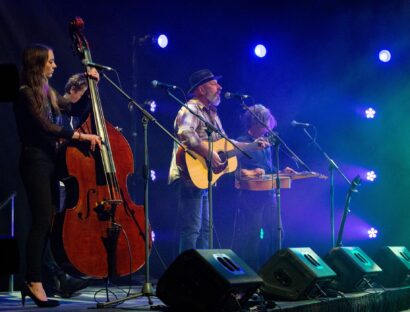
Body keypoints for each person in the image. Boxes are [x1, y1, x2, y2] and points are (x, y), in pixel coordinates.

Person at [14, 43, 101, 307]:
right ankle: (33, 281)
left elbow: (73, 109)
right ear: (38, 63)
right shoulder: (26, 93)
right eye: (50, 61)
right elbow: (47, 126)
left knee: (49, 222)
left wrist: (91, 86)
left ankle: (43, 279)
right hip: (35, 162)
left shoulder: (47, 92)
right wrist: (81, 136)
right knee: (41, 222)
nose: (54, 65)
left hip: (50, 163)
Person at [168, 69, 269, 253]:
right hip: (188, 176)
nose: (219, 87)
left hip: (204, 178)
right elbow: (185, 133)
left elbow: (226, 143)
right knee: (192, 230)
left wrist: (252, 146)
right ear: (200, 89)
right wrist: (208, 152)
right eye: (214, 83)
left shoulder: (212, 114)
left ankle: (204, 276)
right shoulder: (190, 108)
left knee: (205, 230)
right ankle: (185, 276)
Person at [41, 73, 90, 298]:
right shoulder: (57, 108)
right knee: (48, 228)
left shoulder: (70, 113)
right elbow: (58, 140)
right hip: (52, 173)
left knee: (52, 228)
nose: (82, 99)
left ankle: (56, 280)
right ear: (74, 90)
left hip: (65, 178)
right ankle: (56, 278)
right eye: (83, 93)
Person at [233, 104, 294, 271]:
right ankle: (251, 274)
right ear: (256, 122)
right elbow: (236, 171)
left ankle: (272, 271)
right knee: (252, 236)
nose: (268, 126)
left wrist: (282, 171)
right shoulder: (243, 142)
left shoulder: (266, 145)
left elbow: (268, 169)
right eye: (266, 122)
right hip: (251, 197)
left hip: (269, 194)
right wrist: (252, 172)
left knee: (277, 231)